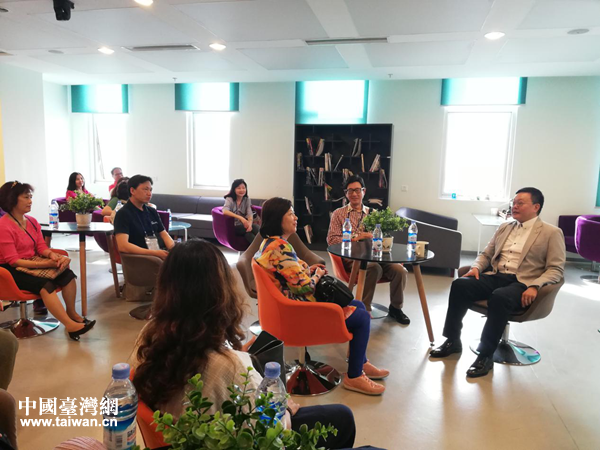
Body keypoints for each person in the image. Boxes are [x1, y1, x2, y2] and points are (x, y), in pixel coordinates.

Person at [132, 240, 363, 449]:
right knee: (343, 418)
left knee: (339, 417)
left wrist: (233, 354)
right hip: (242, 439)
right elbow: (268, 433)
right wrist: (284, 409)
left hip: (191, 435)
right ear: (221, 292)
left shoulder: (149, 336)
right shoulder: (230, 367)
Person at [255, 197, 389, 396]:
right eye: (291, 214)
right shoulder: (280, 248)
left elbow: (288, 276)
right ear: (278, 219)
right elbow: (304, 288)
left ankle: (360, 363)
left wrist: (308, 270)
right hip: (298, 313)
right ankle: (354, 377)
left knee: (358, 305)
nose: (296, 217)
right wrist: (317, 274)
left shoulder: (269, 244)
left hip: (286, 309)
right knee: (361, 317)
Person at [430, 187, 566, 378]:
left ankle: (485, 356)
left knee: (500, 297)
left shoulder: (551, 232)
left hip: (523, 282)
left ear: (536, 207)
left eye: (520, 203)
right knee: (460, 285)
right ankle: (453, 340)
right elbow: (486, 254)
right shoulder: (505, 227)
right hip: (496, 274)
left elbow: (556, 269)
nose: (514, 206)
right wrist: (476, 267)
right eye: (514, 202)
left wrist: (535, 285)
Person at [0, 181, 95, 341]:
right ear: (12, 200)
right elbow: (13, 261)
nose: (30, 201)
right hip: (9, 271)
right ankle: (70, 325)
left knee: (68, 275)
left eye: (30, 197)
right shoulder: (3, 226)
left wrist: (51, 255)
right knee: (46, 285)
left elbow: (41, 247)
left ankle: (72, 314)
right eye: (26, 197)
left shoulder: (31, 221)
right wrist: (45, 264)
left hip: (31, 262)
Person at [326, 175, 409, 324]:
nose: (354, 194)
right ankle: (364, 309)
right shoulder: (339, 214)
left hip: (374, 256)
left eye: (357, 190)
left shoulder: (374, 214)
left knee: (400, 270)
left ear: (364, 191)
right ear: (346, 194)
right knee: (373, 268)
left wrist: (377, 238)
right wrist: (356, 237)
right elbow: (332, 240)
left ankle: (396, 308)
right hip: (351, 259)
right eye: (350, 191)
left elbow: (382, 239)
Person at [114, 175, 174, 261]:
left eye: (150, 190)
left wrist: (174, 251)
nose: (149, 194)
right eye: (145, 189)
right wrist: (155, 253)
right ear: (132, 190)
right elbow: (123, 246)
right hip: (141, 259)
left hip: (157, 255)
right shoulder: (123, 214)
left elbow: (164, 234)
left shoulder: (152, 211)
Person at [222, 179, 260, 244]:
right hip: (233, 226)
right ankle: (268, 245)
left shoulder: (246, 199)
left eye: (243, 188)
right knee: (255, 227)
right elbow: (225, 211)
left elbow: (249, 213)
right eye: (239, 188)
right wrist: (241, 218)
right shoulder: (229, 199)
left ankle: (260, 249)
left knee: (248, 235)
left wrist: (250, 224)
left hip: (244, 226)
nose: (242, 190)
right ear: (234, 189)